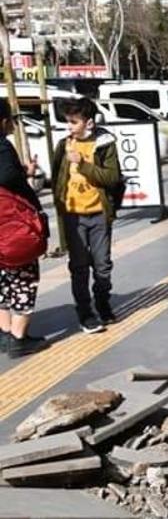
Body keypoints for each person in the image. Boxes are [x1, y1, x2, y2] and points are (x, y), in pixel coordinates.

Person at [52, 97, 122, 334]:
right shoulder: (63, 146)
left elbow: (112, 177)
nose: (69, 126)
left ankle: (102, 302)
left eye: (74, 121)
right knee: (79, 266)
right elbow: (57, 180)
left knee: (102, 265)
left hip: (99, 214)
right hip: (73, 216)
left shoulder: (104, 144)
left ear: (88, 122)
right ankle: (85, 313)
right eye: (67, 121)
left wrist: (82, 164)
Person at [0, 102, 50, 358]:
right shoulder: (3, 146)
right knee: (23, 279)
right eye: (9, 118)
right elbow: (6, 176)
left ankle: (7, 333)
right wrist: (22, 179)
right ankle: (19, 338)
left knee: (4, 280)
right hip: (11, 227)